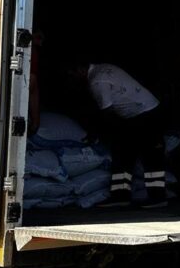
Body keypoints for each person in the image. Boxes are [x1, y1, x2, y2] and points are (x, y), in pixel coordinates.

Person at [70, 62, 168, 209]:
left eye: (71, 74)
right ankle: (121, 196)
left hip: (146, 114)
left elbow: (107, 112)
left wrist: (99, 133)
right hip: (138, 114)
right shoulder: (101, 69)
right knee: (124, 154)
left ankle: (157, 198)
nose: (72, 78)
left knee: (150, 155)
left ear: (80, 70)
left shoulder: (97, 81)